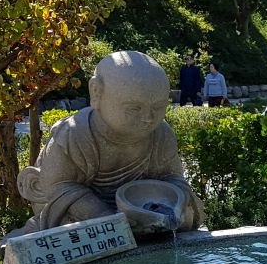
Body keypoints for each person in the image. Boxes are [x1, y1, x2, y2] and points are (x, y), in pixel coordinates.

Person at [17, 50, 205, 233]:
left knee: (186, 217)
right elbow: (59, 187)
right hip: (83, 212)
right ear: (96, 92)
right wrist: (105, 217)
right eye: (134, 108)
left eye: (158, 107)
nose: (148, 118)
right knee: (78, 230)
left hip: (142, 207)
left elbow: (174, 178)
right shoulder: (74, 134)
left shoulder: (161, 134)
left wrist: (175, 204)